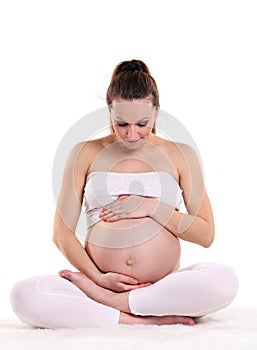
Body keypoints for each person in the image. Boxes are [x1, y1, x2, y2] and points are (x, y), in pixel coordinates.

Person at [10, 59, 239, 328]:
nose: (131, 134)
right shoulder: (85, 152)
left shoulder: (181, 154)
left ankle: (112, 304)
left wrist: (152, 207)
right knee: (24, 296)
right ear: (109, 113)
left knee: (224, 280)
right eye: (121, 124)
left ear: (157, 111)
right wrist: (97, 279)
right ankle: (137, 317)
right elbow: (61, 233)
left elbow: (206, 234)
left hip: (161, 285)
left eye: (142, 123)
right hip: (99, 282)